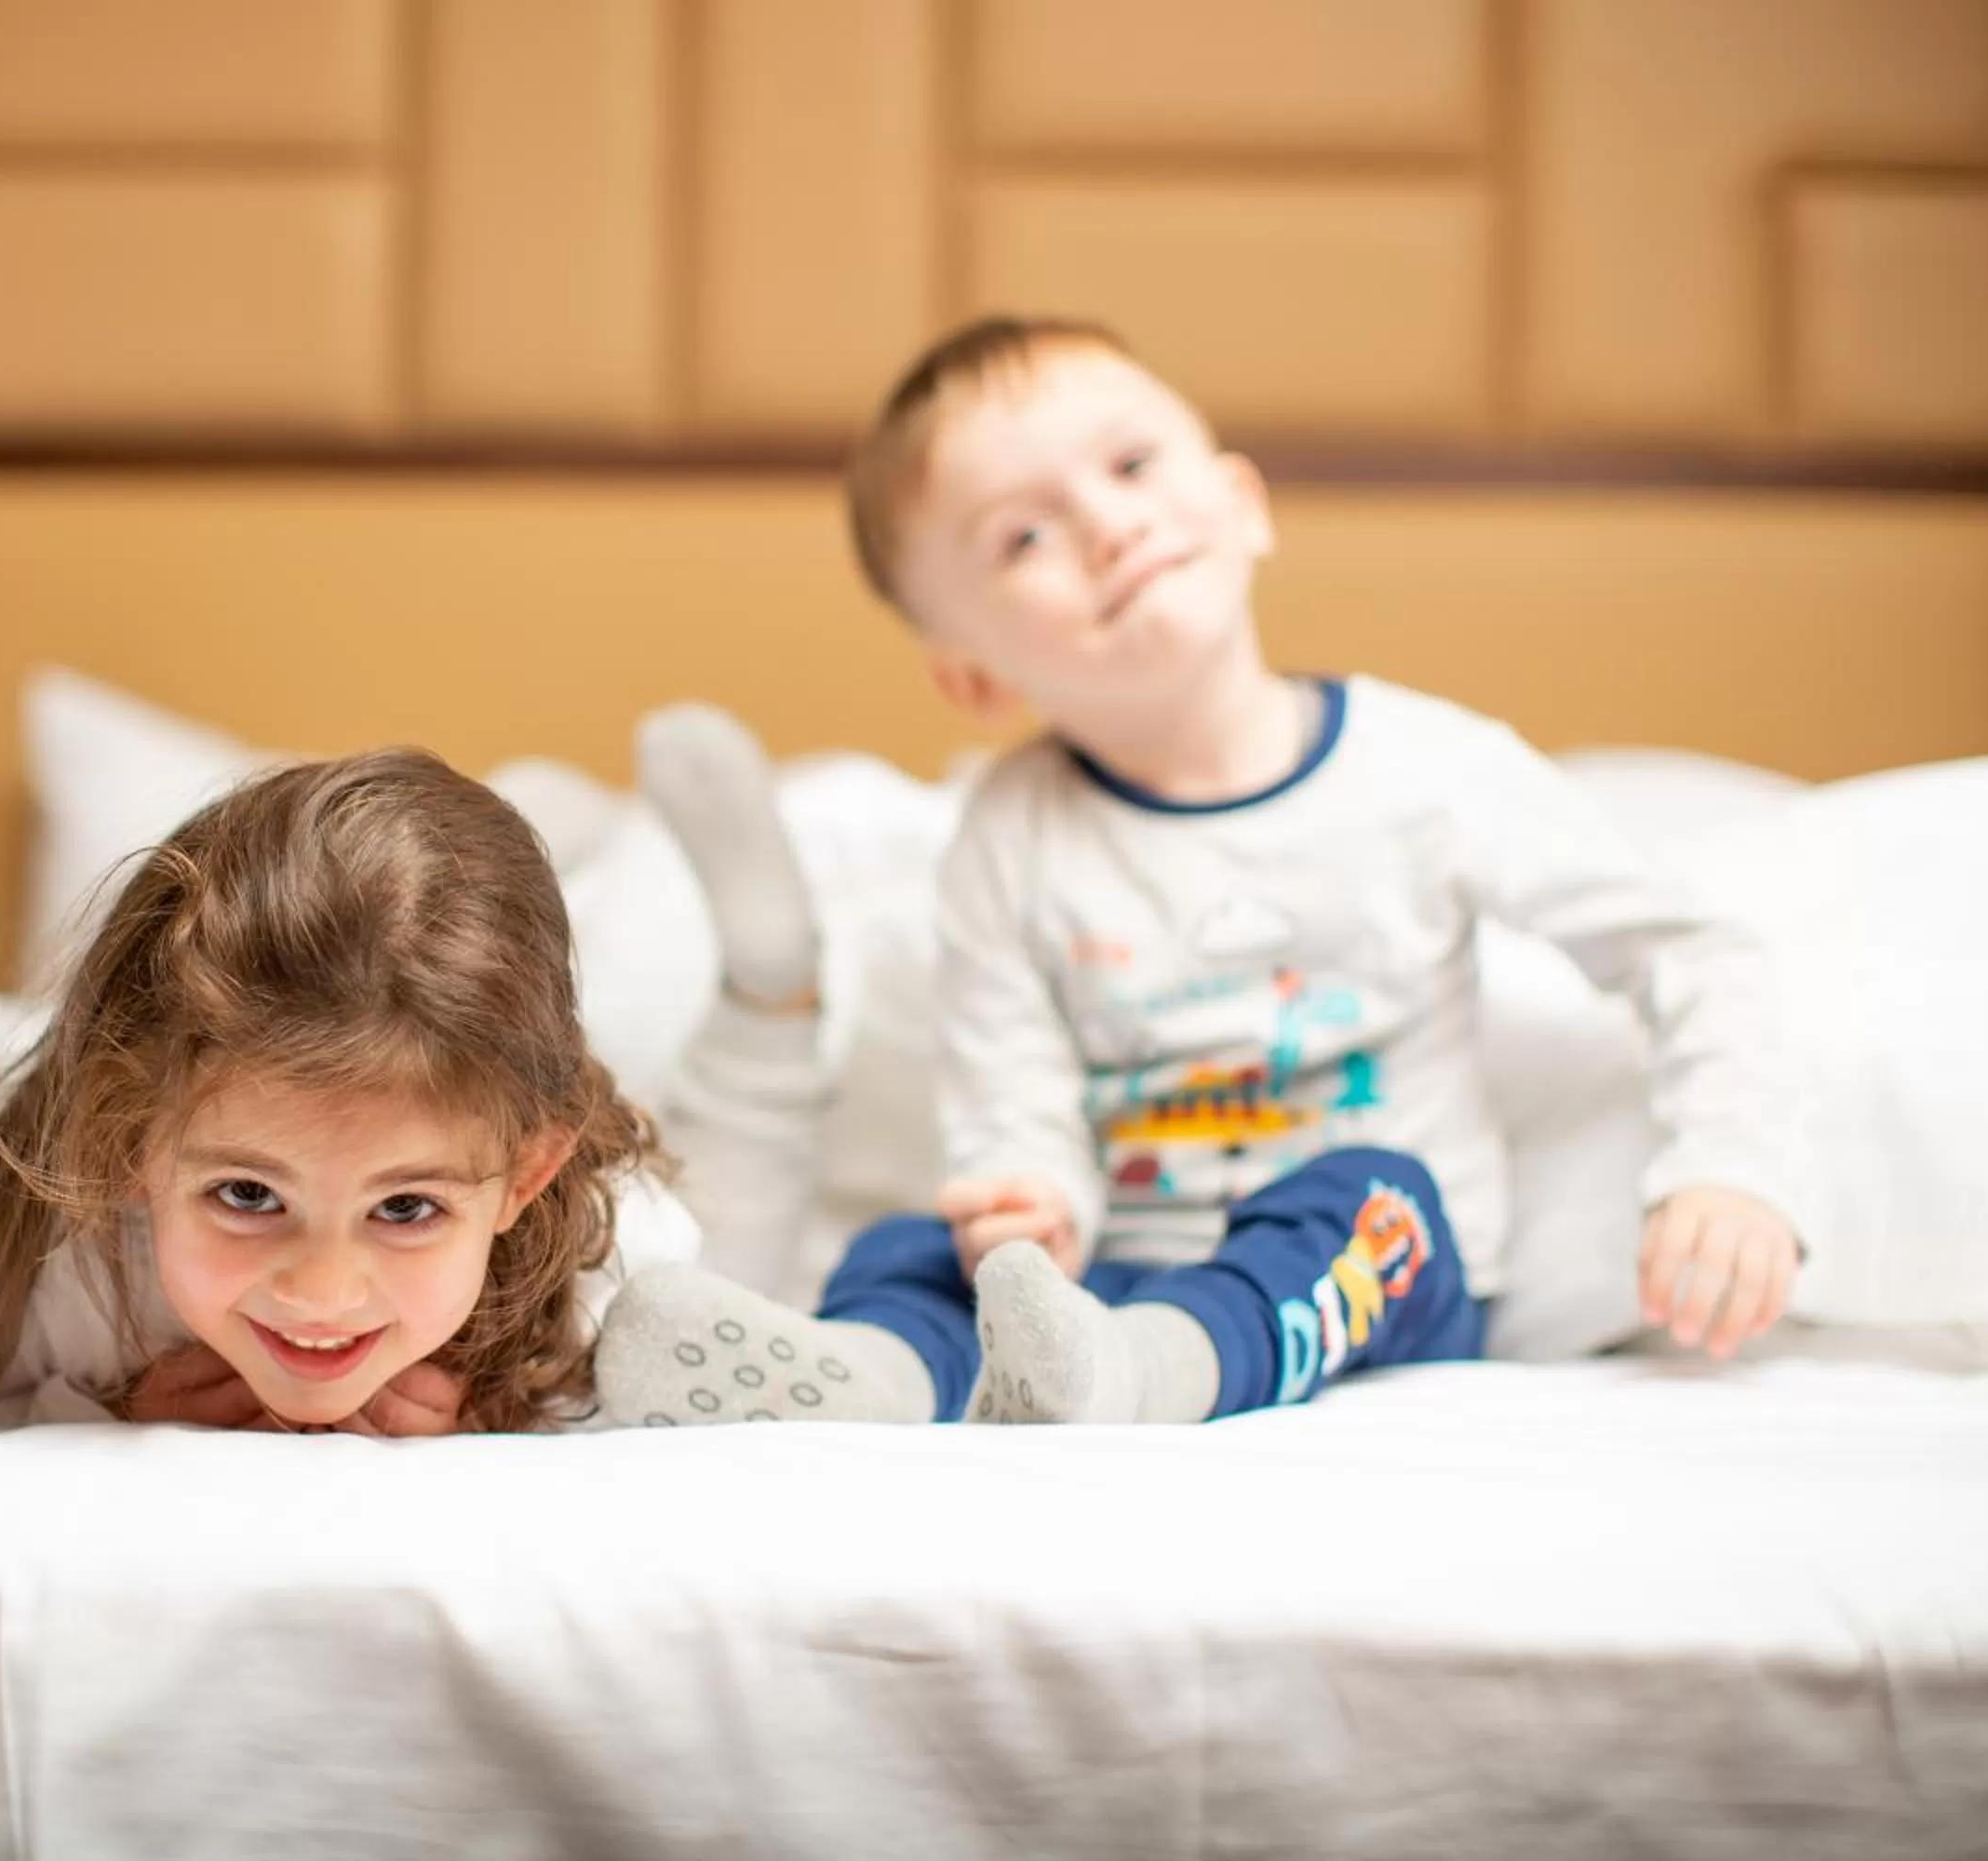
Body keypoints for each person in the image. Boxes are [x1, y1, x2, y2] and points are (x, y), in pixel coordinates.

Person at [596, 315, 1807, 1428]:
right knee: (912, 1248)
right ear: (972, 674)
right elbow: (1012, 1094)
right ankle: (860, 1379)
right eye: (1023, 535)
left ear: (1243, 503)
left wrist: (1727, 1174)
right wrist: (1029, 1205)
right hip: (1107, 1283)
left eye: (1131, 465)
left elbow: (1692, 951)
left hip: (1374, 1273)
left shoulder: (1426, 771)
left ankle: (1146, 1372)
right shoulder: (1008, 838)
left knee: (1369, 1191)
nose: (1107, 524)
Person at [0, 747, 667, 1434]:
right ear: (129, 1141)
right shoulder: (62, 1274)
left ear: (525, 1177)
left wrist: (503, 1408)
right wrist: (113, 1407)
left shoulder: (614, 1259)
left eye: (406, 1208)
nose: (322, 1294)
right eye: (247, 1195)